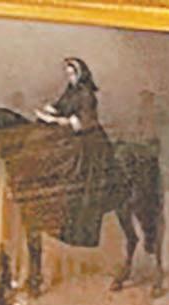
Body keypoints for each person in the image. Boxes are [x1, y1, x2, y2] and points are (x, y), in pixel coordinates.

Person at [34, 56, 111, 248]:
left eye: (72, 74)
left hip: (89, 139)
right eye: (67, 74)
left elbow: (83, 121)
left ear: (80, 74)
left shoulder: (86, 94)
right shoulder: (72, 91)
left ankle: (80, 227)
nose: (69, 78)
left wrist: (55, 120)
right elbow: (61, 106)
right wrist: (49, 110)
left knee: (76, 169)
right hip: (73, 135)